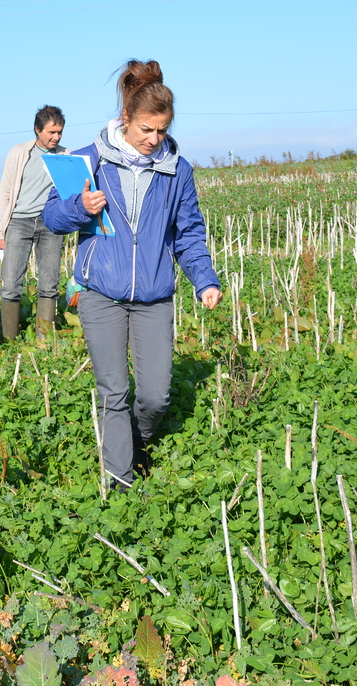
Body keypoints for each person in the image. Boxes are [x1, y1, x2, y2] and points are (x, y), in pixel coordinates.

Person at [43, 60, 221, 490]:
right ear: (127, 119)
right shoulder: (87, 160)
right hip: (100, 291)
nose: (153, 140)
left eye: (161, 131)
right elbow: (51, 215)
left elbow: (189, 232)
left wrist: (205, 279)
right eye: (145, 129)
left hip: (155, 294)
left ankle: (138, 442)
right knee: (113, 391)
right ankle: (119, 483)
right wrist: (77, 208)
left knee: (156, 395)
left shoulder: (177, 170)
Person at [0, 105, 68, 339]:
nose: (56, 137)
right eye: (51, 132)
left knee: (49, 283)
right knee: (10, 284)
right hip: (19, 222)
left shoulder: (67, 156)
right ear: (37, 130)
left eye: (59, 132)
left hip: (50, 223)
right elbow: (5, 191)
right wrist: (1, 229)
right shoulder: (19, 153)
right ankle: (9, 341)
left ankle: (43, 341)